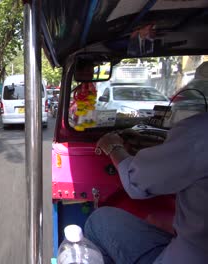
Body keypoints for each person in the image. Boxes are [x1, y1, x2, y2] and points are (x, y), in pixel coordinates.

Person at [84, 62, 208, 264]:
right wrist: (178, 225)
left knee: (99, 220)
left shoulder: (199, 132)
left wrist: (113, 147)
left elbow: (135, 182)